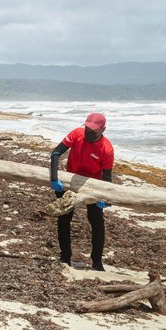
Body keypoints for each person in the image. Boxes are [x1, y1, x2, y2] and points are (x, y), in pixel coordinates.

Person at [50, 112, 113, 270]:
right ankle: (65, 257)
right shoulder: (77, 134)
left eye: (93, 131)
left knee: (96, 222)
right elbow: (56, 153)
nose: (89, 133)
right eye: (87, 129)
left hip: (94, 186)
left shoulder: (107, 149)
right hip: (70, 181)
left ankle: (97, 262)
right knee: (64, 219)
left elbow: (107, 178)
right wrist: (54, 179)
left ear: (103, 129)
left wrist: (105, 198)